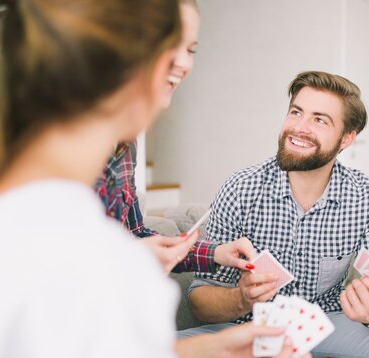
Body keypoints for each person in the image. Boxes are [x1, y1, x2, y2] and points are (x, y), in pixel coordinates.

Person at [0, 1, 312, 358]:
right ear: (152, 68)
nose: (185, 64)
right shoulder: (104, 267)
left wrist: (210, 346)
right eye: (178, 47)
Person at [180, 71, 369, 358]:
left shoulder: (365, 198)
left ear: (346, 138)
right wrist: (240, 298)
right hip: (250, 334)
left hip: (327, 326)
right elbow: (201, 301)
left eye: (320, 120)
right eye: (296, 112)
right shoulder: (240, 189)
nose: (300, 127)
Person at [94, 0, 254, 276]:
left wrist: (216, 253)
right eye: (169, 43)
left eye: (190, 50)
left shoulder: (126, 142)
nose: (183, 64)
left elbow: (135, 236)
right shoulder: (54, 140)